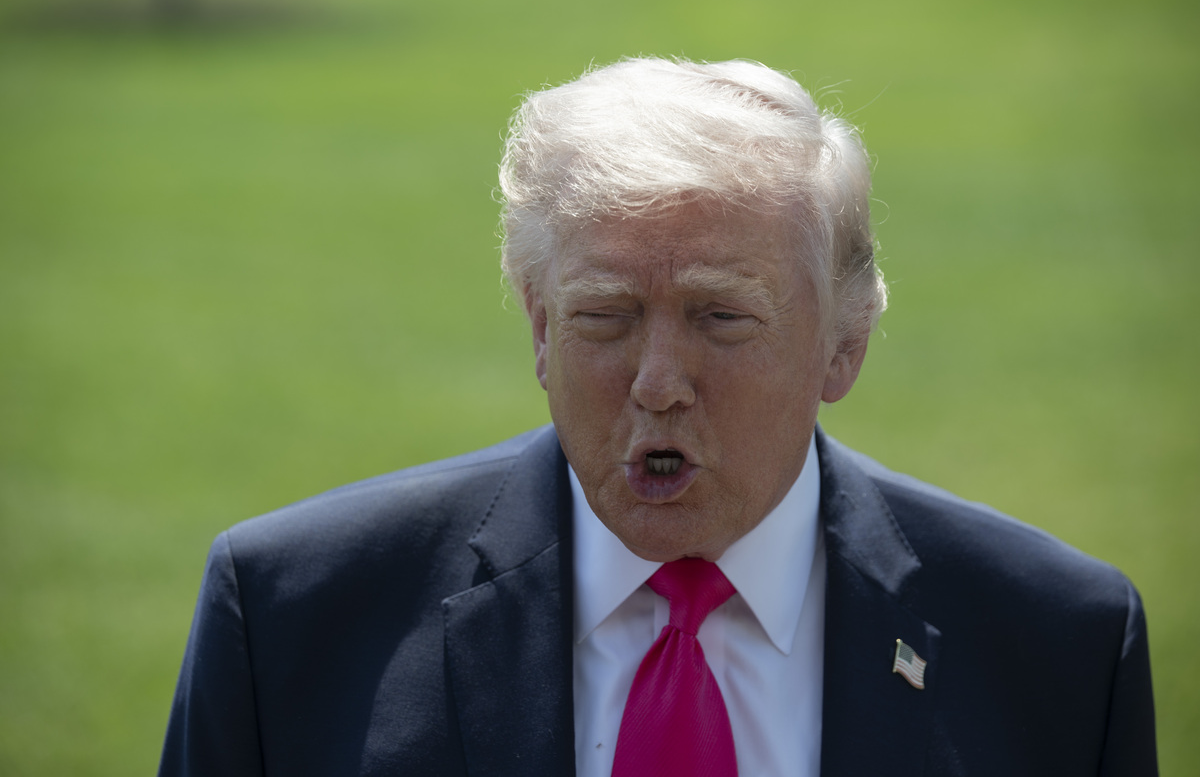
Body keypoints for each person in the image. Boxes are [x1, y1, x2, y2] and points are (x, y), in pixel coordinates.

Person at [158, 57, 1157, 776]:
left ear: (843, 343)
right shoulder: (292, 617)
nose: (657, 380)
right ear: (539, 326)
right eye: (607, 317)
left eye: (722, 317)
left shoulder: (1058, 646)